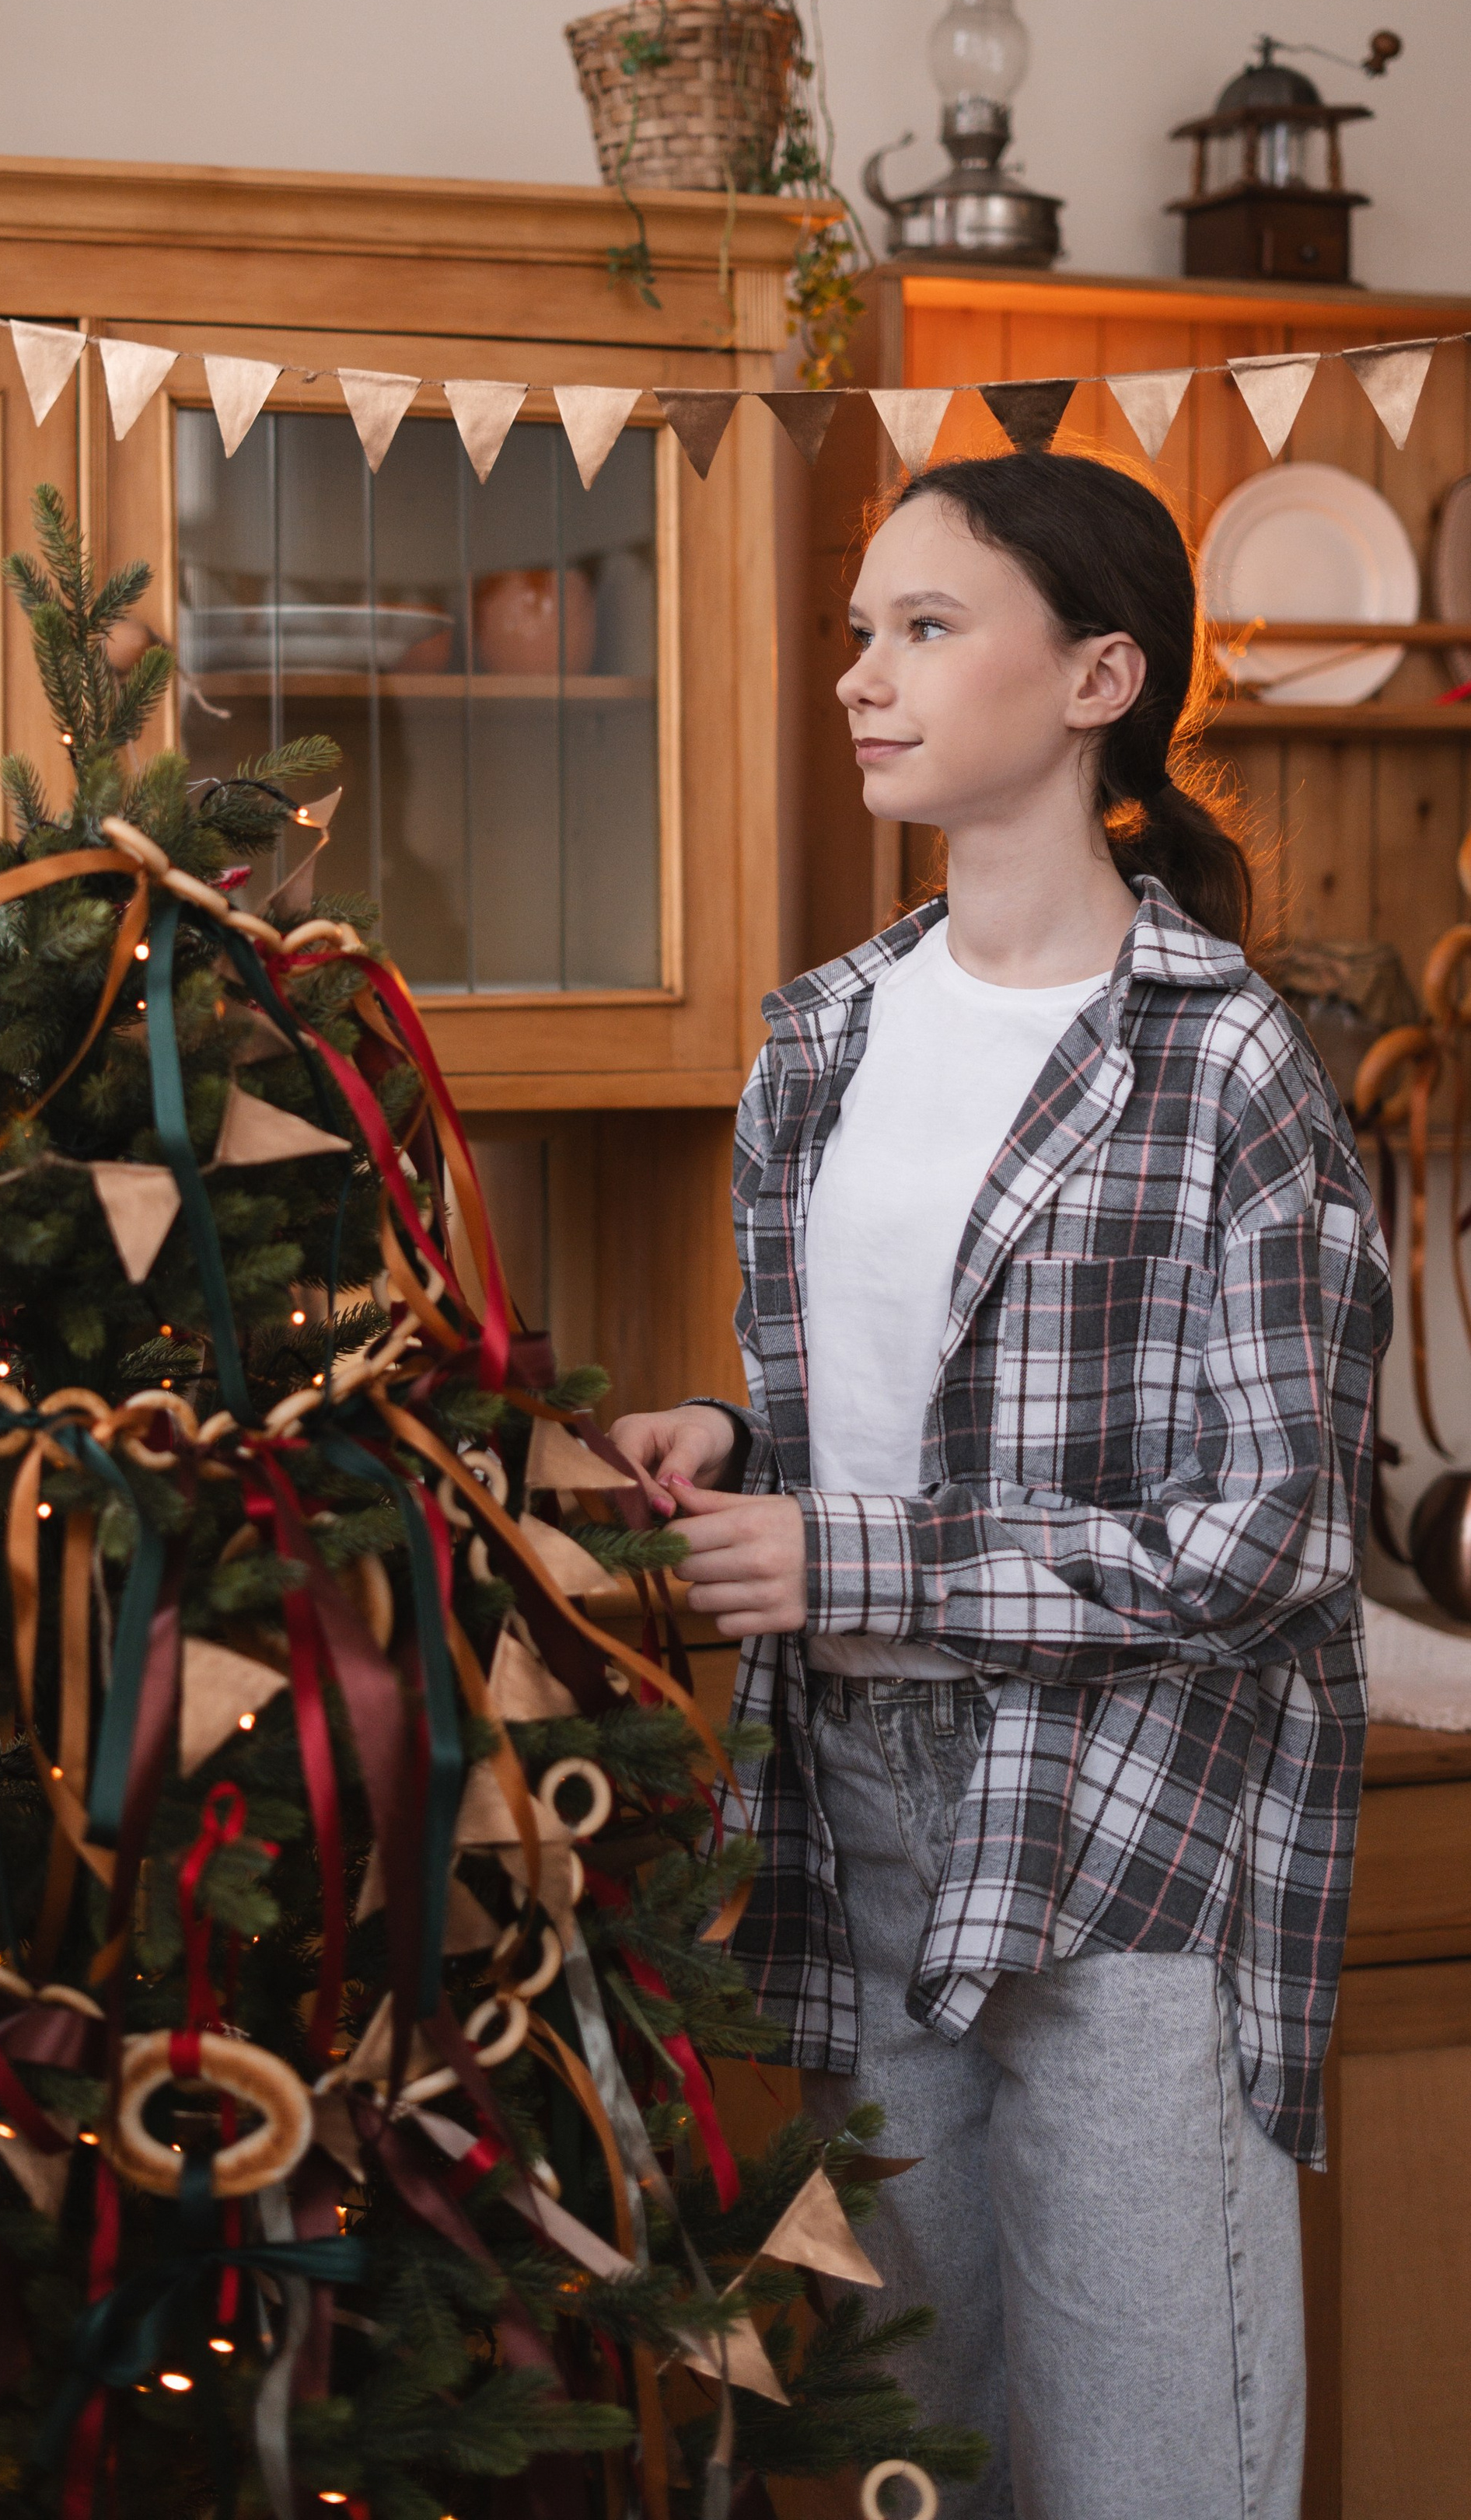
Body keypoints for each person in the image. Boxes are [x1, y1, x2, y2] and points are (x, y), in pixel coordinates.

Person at [610, 451, 1387, 2520]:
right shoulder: (824, 1038)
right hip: (850, 1806)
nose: (862, 676)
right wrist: (741, 1442)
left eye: (929, 628)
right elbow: (909, 1404)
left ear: (1098, 678)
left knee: (1150, 2476)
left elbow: (1269, 1533)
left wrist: (842, 1554)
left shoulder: (1224, 1068)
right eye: (862, 630)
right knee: (905, 2456)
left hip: (1125, 1840)